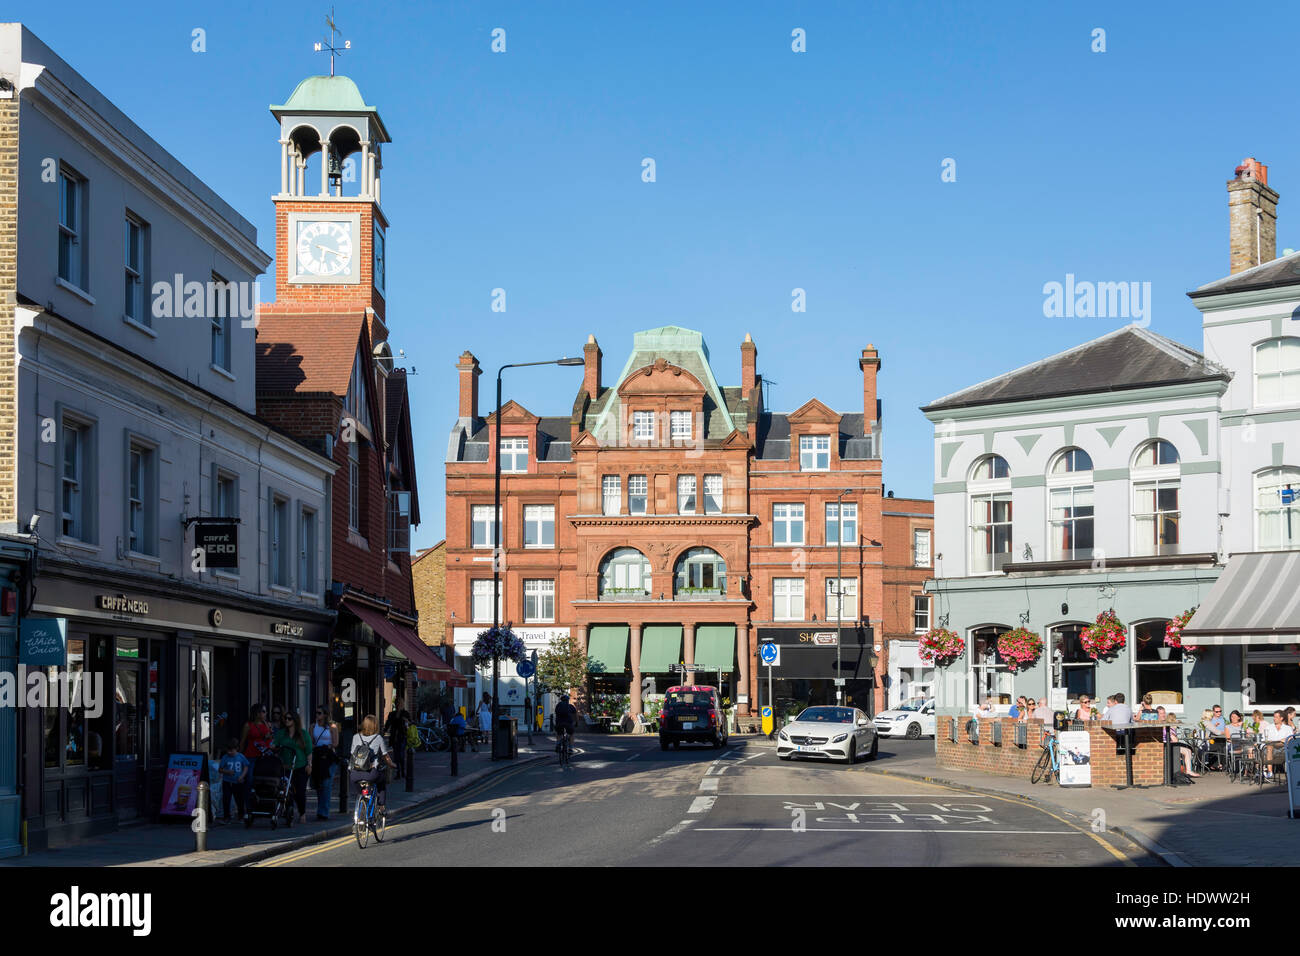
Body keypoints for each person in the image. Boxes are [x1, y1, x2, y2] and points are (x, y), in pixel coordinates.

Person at [349, 714, 396, 810]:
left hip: (354, 774)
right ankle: (381, 806)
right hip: (370, 773)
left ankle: (362, 799)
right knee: (382, 781)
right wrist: (392, 765)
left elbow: (352, 753)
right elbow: (385, 756)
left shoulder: (355, 737)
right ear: (375, 725)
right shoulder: (378, 738)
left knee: (360, 791)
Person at [274, 711, 312, 825]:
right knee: (287, 791)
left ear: (295, 720)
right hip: (286, 766)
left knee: (300, 791)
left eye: (289, 718)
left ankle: (302, 813)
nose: (286, 720)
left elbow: (309, 751)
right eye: (285, 718)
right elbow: (275, 746)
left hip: (300, 766)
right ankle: (289, 812)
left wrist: (310, 764)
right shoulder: (281, 734)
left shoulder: (303, 734)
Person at [310, 707, 339, 820]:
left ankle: (324, 812)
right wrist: (317, 748)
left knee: (326, 784)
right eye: (316, 713)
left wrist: (327, 746)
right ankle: (320, 809)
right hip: (317, 757)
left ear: (325, 715)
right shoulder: (313, 727)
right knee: (319, 785)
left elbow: (336, 743)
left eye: (319, 713)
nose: (317, 715)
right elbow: (311, 742)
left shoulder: (332, 727)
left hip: (329, 758)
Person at [218, 738, 251, 822]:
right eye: (228, 751)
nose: (229, 753)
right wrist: (227, 771)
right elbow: (220, 769)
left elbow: (246, 767)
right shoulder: (225, 757)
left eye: (231, 751)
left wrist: (242, 776)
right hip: (227, 781)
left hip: (238, 782)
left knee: (239, 799)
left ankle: (241, 815)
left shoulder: (241, 757)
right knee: (226, 798)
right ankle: (226, 816)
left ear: (237, 749)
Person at [383, 701, 409, 780]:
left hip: (402, 736)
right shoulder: (392, 714)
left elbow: (411, 723)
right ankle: (398, 772)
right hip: (394, 737)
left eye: (400, 704)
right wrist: (384, 731)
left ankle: (403, 772)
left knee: (401, 754)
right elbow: (388, 724)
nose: (399, 706)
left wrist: (406, 721)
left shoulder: (405, 713)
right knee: (396, 755)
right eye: (397, 704)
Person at [448, 710, 467, 775]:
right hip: (460, 733)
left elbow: (450, 725)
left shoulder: (453, 719)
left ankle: (459, 747)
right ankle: (463, 748)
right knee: (466, 736)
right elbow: (464, 726)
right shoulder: (461, 719)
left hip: (453, 734)